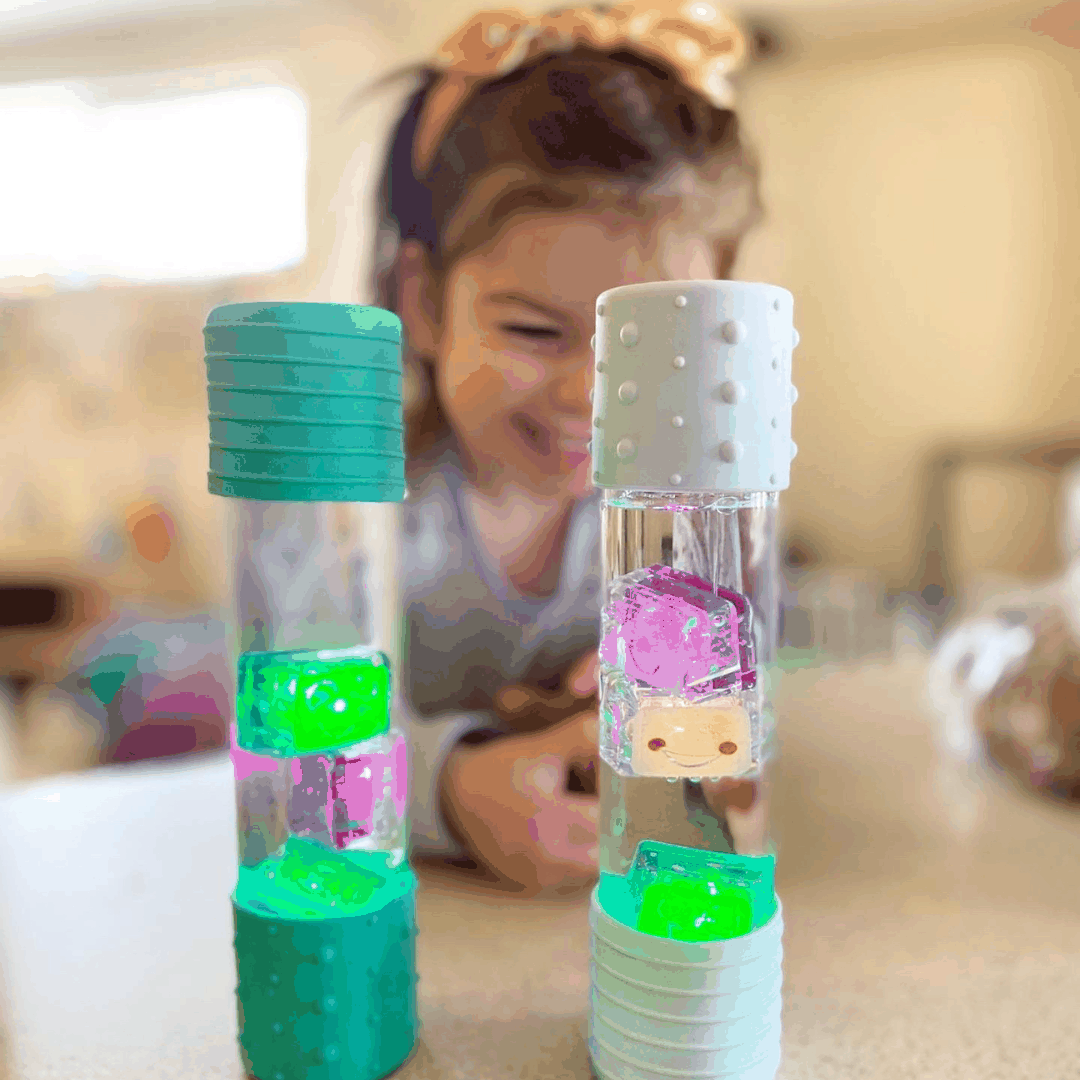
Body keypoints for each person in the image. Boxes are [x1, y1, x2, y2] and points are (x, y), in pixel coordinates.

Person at [368, 0, 764, 894]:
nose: (590, 393)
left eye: (650, 343)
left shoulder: (681, 525)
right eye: (533, 330)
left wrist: (683, 719)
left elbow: (726, 752)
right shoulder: (368, 524)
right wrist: (451, 789)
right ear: (425, 304)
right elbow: (298, 761)